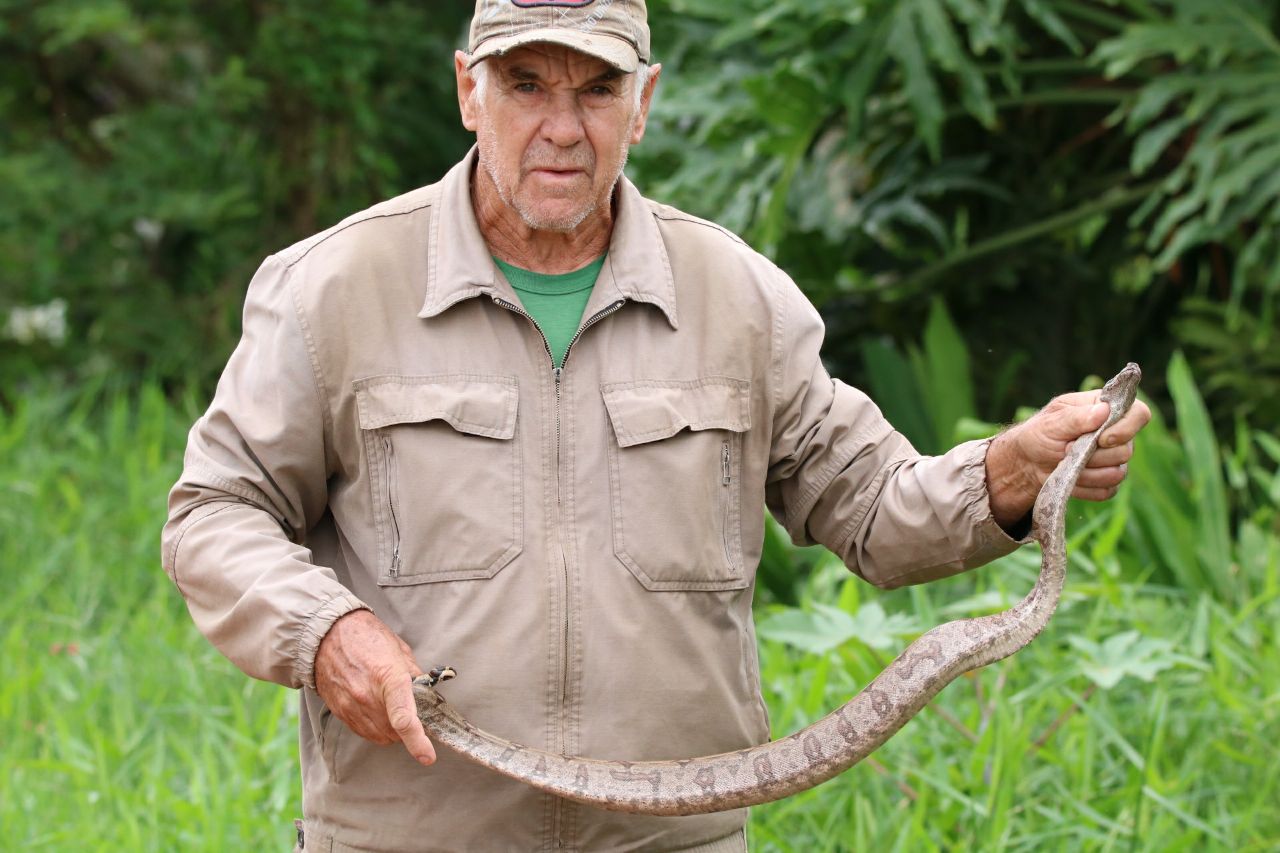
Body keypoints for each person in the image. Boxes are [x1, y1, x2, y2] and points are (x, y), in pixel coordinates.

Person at [161, 1, 1151, 850]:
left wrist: (1009, 472)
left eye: (595, 89)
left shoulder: (735, 297)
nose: (561, 126)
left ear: (644, 102)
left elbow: (871, 506)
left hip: (673, 837)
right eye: (525, 86)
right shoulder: (334, 289)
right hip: (411, 833)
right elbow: (214, 512)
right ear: (468, 91)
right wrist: (323, 629)